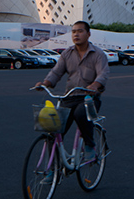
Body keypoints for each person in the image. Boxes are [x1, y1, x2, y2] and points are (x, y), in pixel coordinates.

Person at [35, 21, 109, 163]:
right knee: (52, 130)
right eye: (74, 31)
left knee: (80, 113)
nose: (76, 34)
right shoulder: (67, 54)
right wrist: (45, 83)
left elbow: (103, 73)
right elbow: (56, 73)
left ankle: (90, 146)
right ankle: (52, 170)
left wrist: (95, 84)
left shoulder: (98, 54)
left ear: (88, 34)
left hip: (89, 98)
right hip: (69, 97)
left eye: (80, 31)